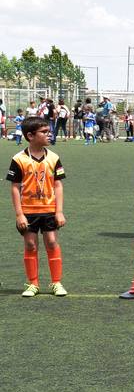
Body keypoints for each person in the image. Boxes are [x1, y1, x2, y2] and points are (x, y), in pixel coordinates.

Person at [8, 117, 67, 297]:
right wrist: (19, 214)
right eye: (44, 132)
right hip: (28, 210)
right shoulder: (19, 159)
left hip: (49, 209)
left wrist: (59, 211)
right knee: (31, 245)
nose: (49, 134)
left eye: (49, 131)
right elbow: (15, 187)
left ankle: (56, 282)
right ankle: (33, 284)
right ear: (30, 136)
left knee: (51, 242)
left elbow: (58, 185)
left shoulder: (54, 158)